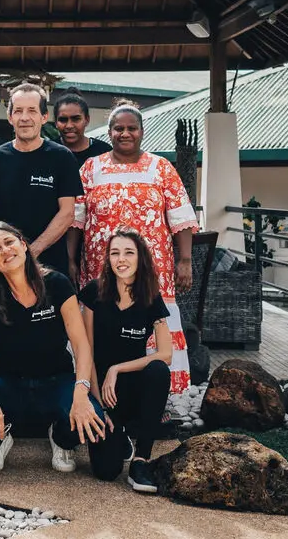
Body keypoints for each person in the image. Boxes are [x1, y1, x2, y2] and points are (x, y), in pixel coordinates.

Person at [0, 221, 109, 474]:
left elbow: (81, 345)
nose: (5, 250)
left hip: (56, 383)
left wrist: (81, 391)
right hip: (9, 386)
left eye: (9, 242)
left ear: (23, 245)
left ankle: (61, 438)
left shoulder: (57, 283)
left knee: (91, 413)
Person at [77, 100, 199, 394]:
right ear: (109, 132)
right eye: (118, 128)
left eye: (132, 128)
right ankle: (99, 392)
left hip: (152, 270)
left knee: (150, 327)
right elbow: (76, 220)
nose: (125, 133)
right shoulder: (90, 169)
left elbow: (181, 218)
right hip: (101, 269)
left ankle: (155, 396)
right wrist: (71, 261)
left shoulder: (162, 168)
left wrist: (185, 260)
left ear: (142, 131)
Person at [79, 227, 173, 492]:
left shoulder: (150, 297)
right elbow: (86, 351)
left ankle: (141, 460)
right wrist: (99, 406)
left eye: (128, 253)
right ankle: (118, 434)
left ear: (140, 258)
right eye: (115, 253)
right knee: (106, 472)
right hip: (102, 393)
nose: (121, 259)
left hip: (133, 389)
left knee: (157, 371)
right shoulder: (94, 293)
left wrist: (116, 369)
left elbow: (165, 354)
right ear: (108, 259)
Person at [0, 83, 82, 278]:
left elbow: (67, 214)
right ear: (10, 117)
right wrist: (10, 252)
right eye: (18, 111)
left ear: (44, 117)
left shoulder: (62, 157)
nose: (24, 118)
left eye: (32, 111)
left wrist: (30, 252)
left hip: (51, 267)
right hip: (6, 266)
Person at [55, 92, 112, 284]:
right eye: (63, 119)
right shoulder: (49, 153)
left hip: (97, 242)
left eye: (76, 119)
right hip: (56, 241)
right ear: (55, 122)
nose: (69, 125)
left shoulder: (104, 153)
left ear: (87, 120)